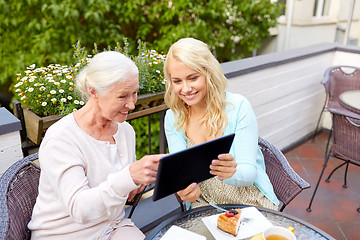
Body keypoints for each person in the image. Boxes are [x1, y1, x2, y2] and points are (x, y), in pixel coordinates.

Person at [28, 51, 166, 240]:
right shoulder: (62, 138)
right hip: (66, 234)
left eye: (134, 93)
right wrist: (129, 176)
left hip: (112, 226)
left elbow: (118, 192)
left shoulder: (125, 131)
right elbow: (80, 209)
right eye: (122, 96)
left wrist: (137, 184)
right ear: (93, 92)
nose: (132, 104)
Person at [163, 38, 279, 210]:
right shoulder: (173, 117)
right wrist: (184, 189)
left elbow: (249, 173)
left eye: (193, 78)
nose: (185, 89)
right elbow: (182, 174)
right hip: (204, 203)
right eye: (177, 81)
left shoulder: (238, 107)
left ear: (209, 73)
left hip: (248, 200)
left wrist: (230, 173)